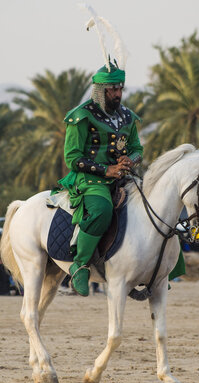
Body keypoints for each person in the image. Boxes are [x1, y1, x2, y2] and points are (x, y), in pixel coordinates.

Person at [57, 61, 143, 296]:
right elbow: (72, 157)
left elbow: (137, 148)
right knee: (102, 209)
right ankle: (80, 265)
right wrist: (107, 171)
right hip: (90, 179)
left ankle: (154, 268)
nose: (117, 94)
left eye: (120, 89)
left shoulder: (127, 116)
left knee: (155, 203)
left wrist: (130, 161)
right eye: (112, 90)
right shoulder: (81, 116)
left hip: (122, 177)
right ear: (100, 90)